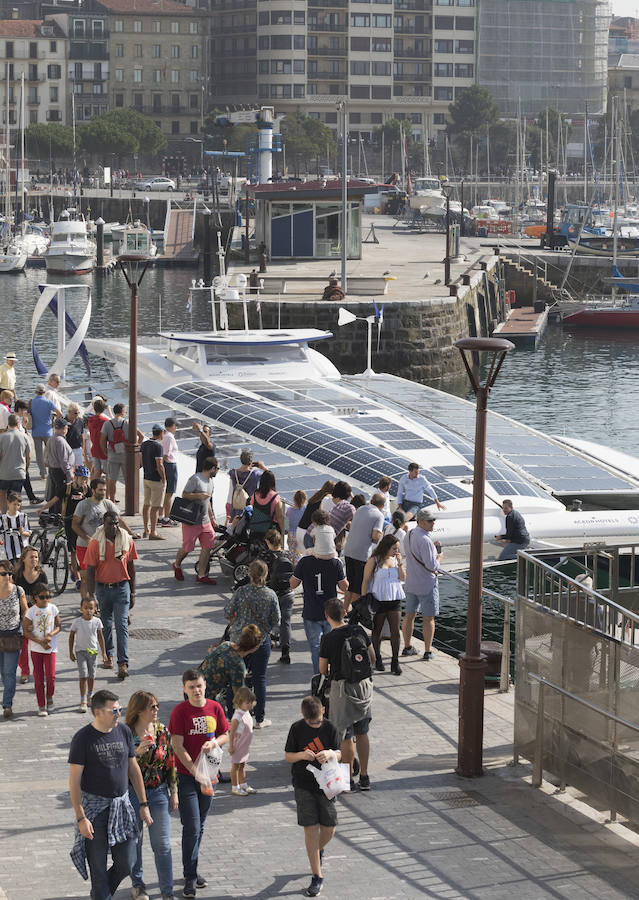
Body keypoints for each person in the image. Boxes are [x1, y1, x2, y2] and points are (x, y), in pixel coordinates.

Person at [68, 689, 152, 900]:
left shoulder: (123, 731)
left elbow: (133, 769)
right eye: (113, 710)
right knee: (98, 872)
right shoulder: (82, 738)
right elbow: (74, 782)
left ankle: (100, 894)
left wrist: (143, 803)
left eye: (119, 709)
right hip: (95, 813)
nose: (118, 714)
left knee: (127, 862)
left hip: (122, 808)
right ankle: (101, 894)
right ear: (97, 712)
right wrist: (81, 818)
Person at [168, 669, 229, 900]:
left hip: (210, 775)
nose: (196, 690)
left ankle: (191, 868)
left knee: (200, 825)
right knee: (192, 826)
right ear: (184, 689)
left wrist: (214, 743)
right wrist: (195, 772)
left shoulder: (215, 707)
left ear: (205, 686)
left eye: (199, 686)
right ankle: (190, 876)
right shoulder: (180, 711)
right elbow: (177, 745)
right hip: (187, 777)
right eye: (191, 687)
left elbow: (225, 734)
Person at [284, 695, 342, 898]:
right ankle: (317, 876)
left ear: (323, 711)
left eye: (317, 721)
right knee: (310, 829)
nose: (315, 725)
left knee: (330, 827)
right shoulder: (296, 728)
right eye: (311, 722)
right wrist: (302, 755)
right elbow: (288, 756)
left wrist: (330, 753)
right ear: (303, 715)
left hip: (327, 785)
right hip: (303, 784)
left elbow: (340, 753)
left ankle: (316, 852)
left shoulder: (330, 728)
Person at [125, 690, 178, 900]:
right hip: (132, 793)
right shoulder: (126, 733)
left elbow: (170, 762)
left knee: (162, 844)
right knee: (135, 842)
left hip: (158, 792)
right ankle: (138, 885)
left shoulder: (162, 731)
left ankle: (167, 892)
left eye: (157, 705)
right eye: (152, 707)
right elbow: (119, 767)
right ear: (139, 710)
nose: (157, 709)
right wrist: (137, 753)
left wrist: (173, 792)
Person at [319, 598, 375, 791]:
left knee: (345, 735)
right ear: (344, 613)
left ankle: (348, 779)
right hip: (363, 686)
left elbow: (322, 669)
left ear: (327, 616)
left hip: (342, 689)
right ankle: (365, 777)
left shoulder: (328, 638)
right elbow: (372, 657)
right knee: (362, 732)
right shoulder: (358, 630)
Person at [224, 559, 280, 729]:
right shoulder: (270, 594)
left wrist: (236, 623)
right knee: (259, 678)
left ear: (249, 574)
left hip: (240, 639)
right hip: (260, 640)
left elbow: (228, 611)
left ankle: (231, 716)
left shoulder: (241, 592)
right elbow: (276, 619)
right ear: (266, 574)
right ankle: (259, 719)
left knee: (235, 677)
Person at [85, 510, 138, 680]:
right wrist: (91, 596)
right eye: (110, 524)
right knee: (106, 625)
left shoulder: (127, 540)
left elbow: (131, 567)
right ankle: (108, 654)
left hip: (122, 588)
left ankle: (123, 663)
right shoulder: (95, 543)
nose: (114, 527)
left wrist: (133, 592)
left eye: (116, 523)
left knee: (121, 625)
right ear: (104, 524)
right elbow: (90, 571)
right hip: (102, 589)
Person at [73, 478, 138, 599]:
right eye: (100, 490)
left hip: (103, 546)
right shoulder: (83, 505)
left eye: (104, 490)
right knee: (86, 577)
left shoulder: (107, 504)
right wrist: (88, 539)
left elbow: (119, 520)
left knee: (100, 575)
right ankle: (87, 603)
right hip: (85, 546)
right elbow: (75, 525)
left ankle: (98, 600)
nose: (103, 493)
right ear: (93, 490)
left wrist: (130, 533)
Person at [290, 552, 348, 674]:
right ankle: (332, 675)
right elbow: (344, 587)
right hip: (331, 612)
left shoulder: (305, 561)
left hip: (311, 611)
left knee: (316, 648)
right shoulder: (335, 562)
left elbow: (293, 584)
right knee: (333, 646)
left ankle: (319, 677)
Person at [361, 534, 405, 675]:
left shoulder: (395, 559)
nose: (396, 551)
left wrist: (400, 563)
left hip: (394, 599)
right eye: (394, 548)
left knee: (395, 631)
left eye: (397, 548)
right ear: (386, 547)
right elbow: (365, 581)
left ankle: (395, 661)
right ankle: (378, 658)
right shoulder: (374, 560)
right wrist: (364, 600)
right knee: (377, 631)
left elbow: (402, 578)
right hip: (378, 600)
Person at [402, 507, 442, 660]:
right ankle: (428, 651)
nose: (433, 523)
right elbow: (432, 565)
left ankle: (407, 647)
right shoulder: (425, 540)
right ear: (421, 521)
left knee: (409, 615)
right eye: (430, 521)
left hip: (411, 582)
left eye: (433, 520)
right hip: (426, 584)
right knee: (428, 618)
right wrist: (439, 557)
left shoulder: (409, 534)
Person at [172, 456, 219, 586]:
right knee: (187, 548)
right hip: (191, 521)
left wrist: (212, 518)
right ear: (212, 468)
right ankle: (177, 564)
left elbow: (207, 502)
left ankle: (201, 575)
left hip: (205, 522)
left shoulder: (211, 482)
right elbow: (184, 494)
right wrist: (198, 495)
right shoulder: (195, 479)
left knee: (208, 547)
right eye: (218, 468)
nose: (218, 471)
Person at [200, 623, 262, 717]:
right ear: (255, 648)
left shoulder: (226, 645)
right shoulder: (238, 666)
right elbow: (239, 697)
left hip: (192, 688)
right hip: (205, 699)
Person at [23, 582, 61, 717]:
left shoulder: (53, 608)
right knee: (38, 678)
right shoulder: (31, 611)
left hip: (51, 648)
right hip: (36, 649)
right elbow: (26, 631)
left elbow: (58, 626)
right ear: (35, 597)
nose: (46, 600)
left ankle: (49, 696)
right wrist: (40, 642)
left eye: (48, 597)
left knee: (51, 676)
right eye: (42, 597)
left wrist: (51, 635)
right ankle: (41, 704)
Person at [343, 494, 385, 613]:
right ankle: (355, 614)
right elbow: (376, 536)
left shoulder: (360, 509)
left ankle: (344, 610)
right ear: (382, 506)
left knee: (350, 584)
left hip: (349, 550)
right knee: (358, 587)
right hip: (361, 554)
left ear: (371, 501)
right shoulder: (379, 515)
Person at [14, 546, 48, 683]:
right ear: (23, 559)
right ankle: (24, 671)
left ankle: (39, 672)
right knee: (22, 645)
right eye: (31, 557)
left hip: (37, 615)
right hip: (20, 615)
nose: (34, 559)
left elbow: (46, 598)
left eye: (36, 557)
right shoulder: (17, 576)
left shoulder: (42, 575)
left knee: (38, 646)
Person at [69, 596, 107, 713]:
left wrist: (104, 653)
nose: (88, 610)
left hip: (93, 652)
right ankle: (83, 700)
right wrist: (71, 652)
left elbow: (100, 637)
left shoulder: (97, 622)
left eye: (91, 608)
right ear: (81, 608)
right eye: (85, 608)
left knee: (91, 675)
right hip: (80, 651)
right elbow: (71, 636)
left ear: (95, 609)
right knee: (83, 675)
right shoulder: (77, 622)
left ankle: (90, 695)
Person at [100, 403, 144, 503]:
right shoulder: (128, 423)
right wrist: (135, 450)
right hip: (126, 456)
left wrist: (106, 452)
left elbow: (102, 440)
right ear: (122, 412)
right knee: (128, 480)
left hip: (112, 455)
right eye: (125, 411)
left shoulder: (107, 424)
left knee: (112, 480)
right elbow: (141, 436)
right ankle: (130, 501)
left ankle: (112, 500)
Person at [0, 559, 27, 718]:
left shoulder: (18, 590)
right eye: (3, 574)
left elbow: (25, 611)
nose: (7, 576)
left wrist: (24, 628)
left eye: (10, 573)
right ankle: (7, 695)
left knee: (10, 672)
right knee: (3, 672)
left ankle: (7, 704)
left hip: (12, 636)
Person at [263, 528, 295, 664]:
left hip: (270, 593)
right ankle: (285, 651)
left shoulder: (265, 556)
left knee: (265, 621)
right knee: (286, 622)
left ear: (267, 541)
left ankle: (264, 650)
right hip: (287, 592)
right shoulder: (288, 555)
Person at [62, 465, 91, 590]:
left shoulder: (87, 489)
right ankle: (78, 579)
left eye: (86, 478)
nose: (84, 481)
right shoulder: (68, 488)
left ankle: (79, 572)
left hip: (83, 523)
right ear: (76, 477)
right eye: (82, 478)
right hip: (70, 522)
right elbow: (57, 499)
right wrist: (43, 509)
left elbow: (92, 503)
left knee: (83, 550)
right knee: (73, 551)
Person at [228, 685, 257, 797]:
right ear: (239, 702)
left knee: (242, 765)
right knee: (235, 766)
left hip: (244, 746)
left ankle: (243, 784)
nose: (250, 705)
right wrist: (231, 746)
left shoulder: (246, 712)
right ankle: (235, 787)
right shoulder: (237, 717)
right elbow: (231, 733)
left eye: (251, 702)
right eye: (247, 703)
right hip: (238, 745)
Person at [29, 383, 60, 479]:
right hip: (48, 431)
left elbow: (27, 414)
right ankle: (52, 471)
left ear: (35, 392)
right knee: (51, 453)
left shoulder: (31, 402)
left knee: (39, 454)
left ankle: (43, 473)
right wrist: (55, 423)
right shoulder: (48, 402)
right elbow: (59, 413)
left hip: (35, 431)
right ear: (44, 392)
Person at [141, 424, 166, 540]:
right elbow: (159, 465)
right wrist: (164, 478)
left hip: (146, 477)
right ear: (161, 432)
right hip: (156, 479)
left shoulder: (144, 444)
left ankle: (146, 529)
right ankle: (153, 532)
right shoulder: (158, 446)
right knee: (155, 507)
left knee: (146, 505)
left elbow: (141, 461)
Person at [0, 413, 30, 511]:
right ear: (18, 423)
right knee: (17, 497)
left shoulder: (2, 437)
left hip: (4, 473)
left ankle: (4, 516)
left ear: (8, 423)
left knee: (2, 495)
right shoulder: (24, 436)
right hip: (19, 472)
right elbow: (28, 456)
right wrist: (26, 468)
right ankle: (18, 517)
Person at [44, 417, 75, 511]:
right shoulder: (60, 441)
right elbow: (63, 460)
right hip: (60, 471)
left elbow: (46, 456)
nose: (67, 430)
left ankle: (52, 512)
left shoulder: (51, 438)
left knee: (54, 493)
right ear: (63, 429)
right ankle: (58, 513)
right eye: (66, 428)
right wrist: (69, 473)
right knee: (60, 494)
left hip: (53, 469)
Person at [227, 449, 265, 522]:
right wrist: (263, 467)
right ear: (251, 461)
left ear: (241, 459)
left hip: (236, 507)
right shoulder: (255, 474)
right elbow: (269, 475)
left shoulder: (233, 472)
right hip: (249, 509)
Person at [296, 481, 335, 551]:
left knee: (305, 556)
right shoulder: (326, 500)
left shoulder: (315, 497)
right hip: (308, 533)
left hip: (300, 529)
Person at [249, 468, 285, 537]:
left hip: (255, 529)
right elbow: (279, 517)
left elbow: (252, 508)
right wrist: (283, 531)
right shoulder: (275, 497)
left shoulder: (255, 494)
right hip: (269, 533)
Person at [160, 416, 179, 527]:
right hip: (170, 465)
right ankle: (166, 518)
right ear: (172, 426)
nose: (176, 428)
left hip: (167, 465)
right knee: (169, 492)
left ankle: (161, 516)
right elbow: (166, 454)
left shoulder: (164, 435)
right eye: (175, 426)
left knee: (165, 492)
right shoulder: (170, 437)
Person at [1, 491, 31, 561]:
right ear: (8, 503)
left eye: (18, 505)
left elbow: (29, 533)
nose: (16, 507)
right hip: (9, 551)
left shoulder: (23, 516)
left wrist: (23, 533)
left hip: (23, 549)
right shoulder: (3, 518)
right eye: (14, 504)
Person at [86, 398, 109, 479]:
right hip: (104, 449)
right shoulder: (105, 421)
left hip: (94, 448)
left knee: (97, 471)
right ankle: (107, 487)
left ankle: (94, 486)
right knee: (108, 472)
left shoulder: (90, 420)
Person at [286, 488, 307, 557]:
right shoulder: (305, 510)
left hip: (291, 534)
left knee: (292, 554)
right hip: (301, 534)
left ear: (294, 499)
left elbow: (287, 520)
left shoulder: (289, 510)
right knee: (301, 555)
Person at [64, 403, 86, 469]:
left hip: (78, 449)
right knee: (69, 470)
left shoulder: (80, 421)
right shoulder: (63, 422)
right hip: (67, 450)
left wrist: (83, 450)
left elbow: (82, 435)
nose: (77, 415)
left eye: (78, 413)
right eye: (75, 413)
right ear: (69, 412)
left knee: (79, 470)